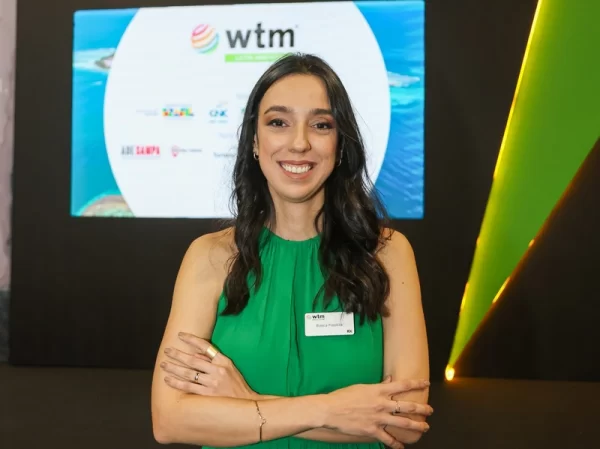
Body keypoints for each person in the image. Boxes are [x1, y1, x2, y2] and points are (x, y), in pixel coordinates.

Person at [151, 53, 431, 449]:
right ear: (254, 141)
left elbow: (405, 424)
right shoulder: (209, 256)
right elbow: (169, 421)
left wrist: (246, 401)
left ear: (340, 144)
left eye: (321, 125)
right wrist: (331, 411)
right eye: (278, 122)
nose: (299, 143)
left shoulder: (387, 253)